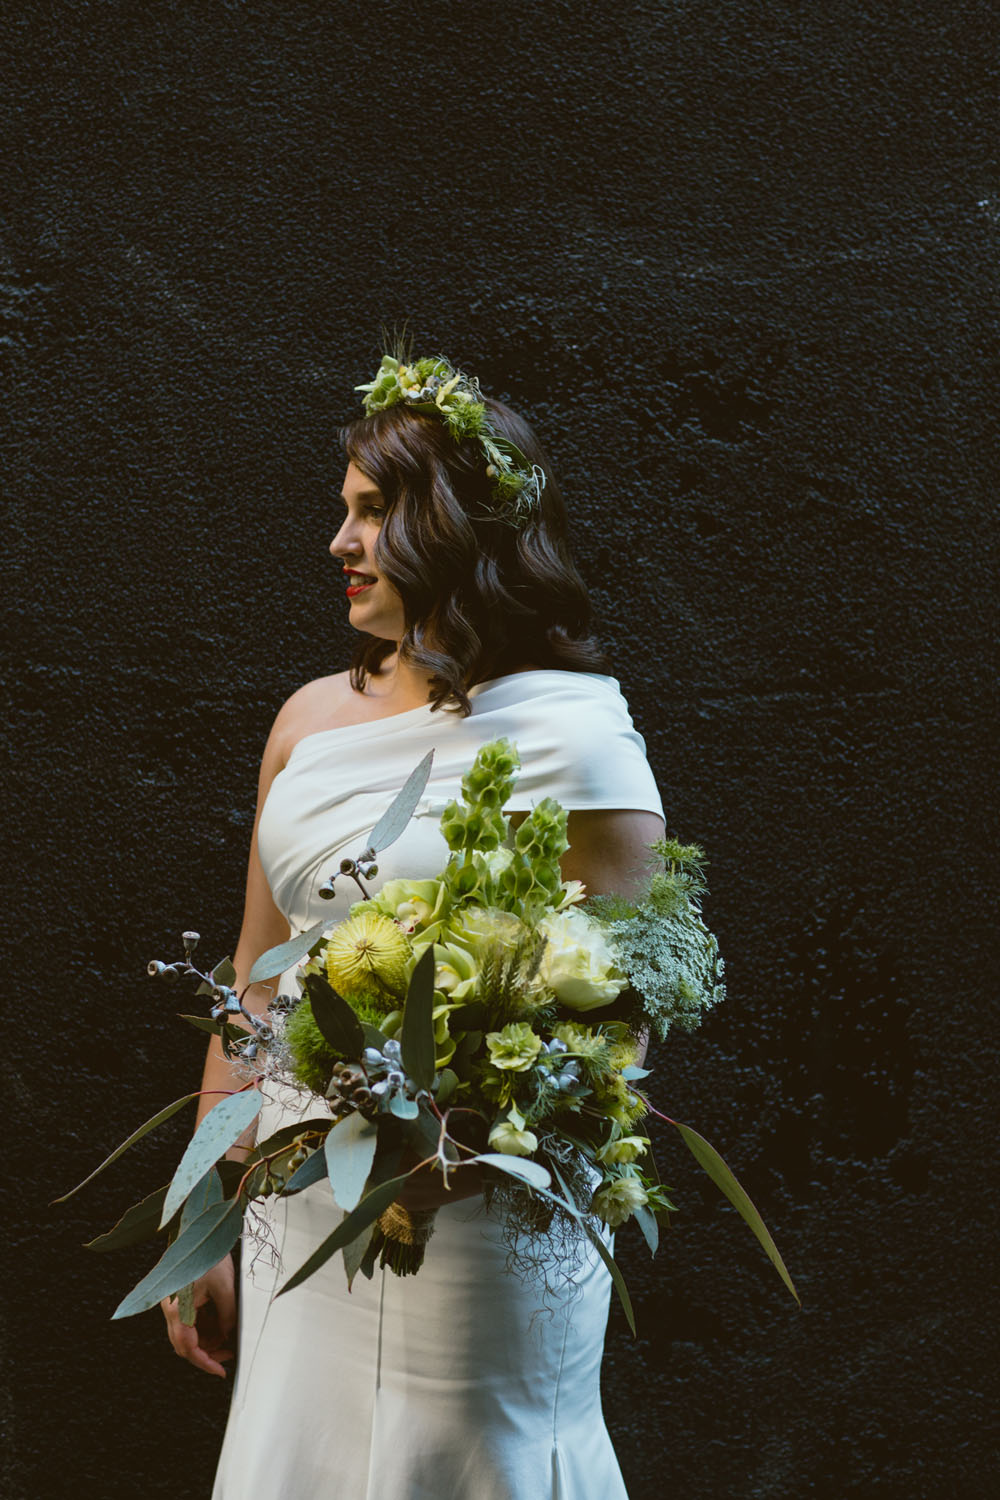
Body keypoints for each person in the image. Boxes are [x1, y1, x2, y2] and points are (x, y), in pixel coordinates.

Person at [160, 353, 665, 1499]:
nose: (338, 544)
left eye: (372, 512)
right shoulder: (306, 722)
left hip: (480, 1218)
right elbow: (253, 986)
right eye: (344, 511)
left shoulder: (575, 738)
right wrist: (205, 1221)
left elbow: (625, 1028)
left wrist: (472, 1140)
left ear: (456, 528)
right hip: (299, 1198)